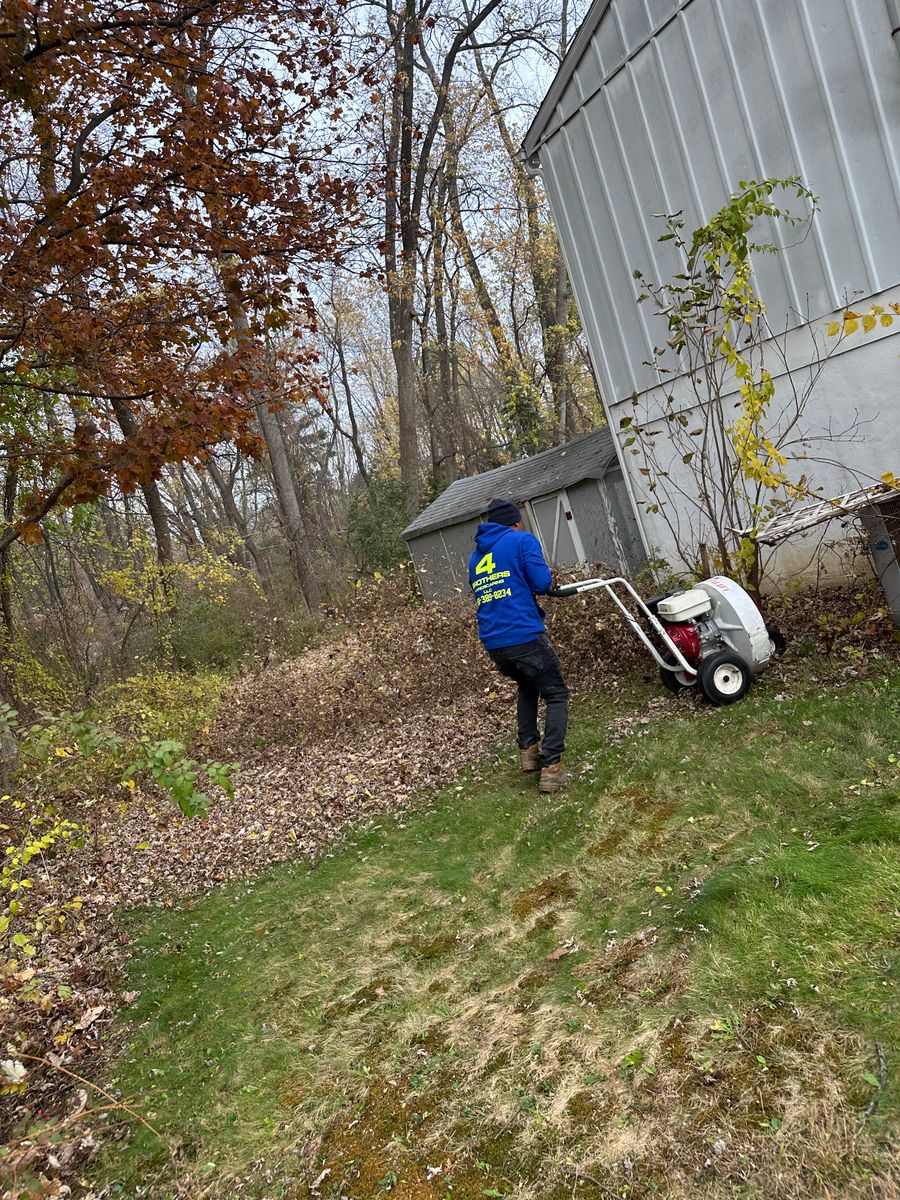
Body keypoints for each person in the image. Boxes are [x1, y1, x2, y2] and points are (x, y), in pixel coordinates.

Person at [468, 497, 570, 793]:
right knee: (556, 693)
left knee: (528, 685)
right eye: (519, 522)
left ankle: (528, 752)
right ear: (514, 522)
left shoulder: (476, 557)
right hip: (522, 635)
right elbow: (541, 581)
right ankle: (551, 766)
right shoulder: (521, 540)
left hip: (494, 644)